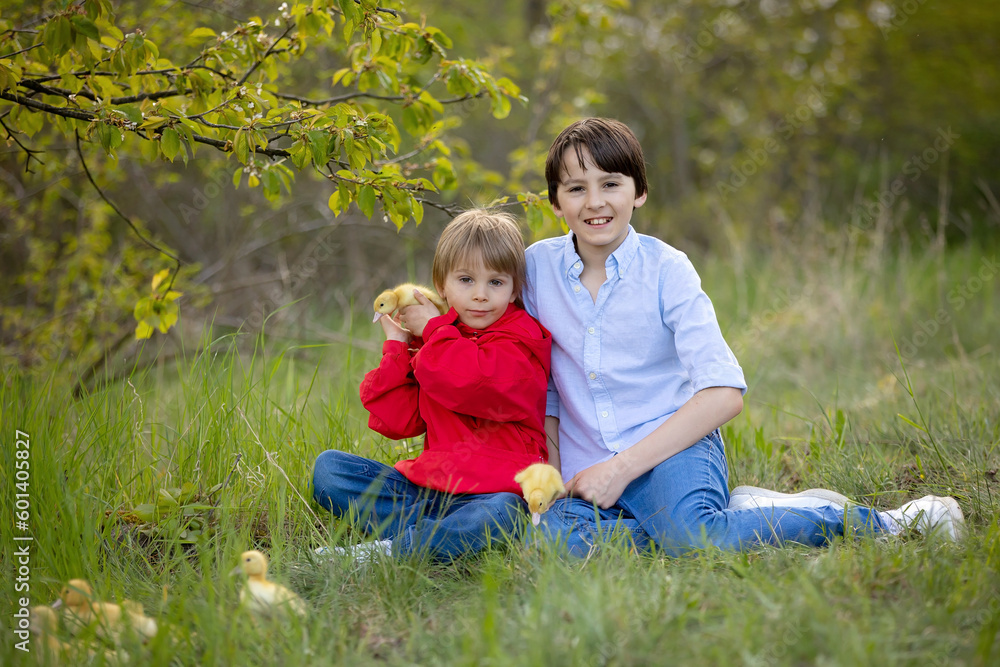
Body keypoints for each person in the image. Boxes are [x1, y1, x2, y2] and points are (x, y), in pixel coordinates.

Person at [523, 117, 964, 558]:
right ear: (556, 203)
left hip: (672, 450)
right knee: (553, 543)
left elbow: (723, 393)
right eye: (576, 188)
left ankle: (885, 521)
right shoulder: (536, 271)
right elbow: (542, 387)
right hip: (586, 465)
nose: (595, 202)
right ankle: (742, 514)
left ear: (639, 192)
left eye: (611, 183)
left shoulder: (667, 270)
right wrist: (554, 473)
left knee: (695, 538)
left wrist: (621, 469)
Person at [312, 209, 552, 562]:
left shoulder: (522, 338)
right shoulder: (439, 339)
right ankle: (440, 537)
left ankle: (391, 552)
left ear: (515, 288)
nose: (481, 295)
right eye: (466, 280)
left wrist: (434, 333)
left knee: (503, 514)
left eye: (496, 282)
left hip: (495, 491)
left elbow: (474, 382)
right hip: (432, 489)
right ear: (441, 285)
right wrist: (397, 346)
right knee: (330, 470)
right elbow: (398, 421)